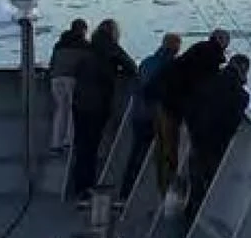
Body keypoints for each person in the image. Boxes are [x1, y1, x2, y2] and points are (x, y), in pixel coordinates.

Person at [67, 19, 141, 200]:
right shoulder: (110, 48)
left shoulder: (89, 48)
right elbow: (131, 67)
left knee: (82, 144)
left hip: (79, 102)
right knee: (91, 146)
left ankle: (79, 186)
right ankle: (86, 187)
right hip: (97, 104)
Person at [151, 29, 230, 196]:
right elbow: (204, 83)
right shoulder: (210, 56)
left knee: (166, 150)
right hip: (171, 105)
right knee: (169, 151)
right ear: (221, 41)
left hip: (166, 101)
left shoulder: (198, 50)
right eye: (226, 42)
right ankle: (167, 192)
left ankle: (166, 189)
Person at [116, 32, 182, 198]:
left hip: (139, 114)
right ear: (175, 48)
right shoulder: (172, 66)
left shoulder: (146, 62)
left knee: (136, 154)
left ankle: (126, 192)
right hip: (158, 117)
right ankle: (160, 197)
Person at [186, 54, 251, 211]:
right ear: (243, 70)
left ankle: (191, 207)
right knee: (210, 178)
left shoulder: (209, 79)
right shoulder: (241, 96)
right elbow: (233, 124)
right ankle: (200, 213)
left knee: (195, 174)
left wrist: (193, 127)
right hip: (217, 144)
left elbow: (191, 104)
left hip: (197, 135)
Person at [46, 18, 90, 156]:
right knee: (72, 110)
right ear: (83, 30)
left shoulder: (59, 44)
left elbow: (52, 63)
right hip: (72, 78)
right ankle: (69, 141)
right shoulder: (84, 45)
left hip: (56, 78)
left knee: (60, 110)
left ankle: (55, 143)